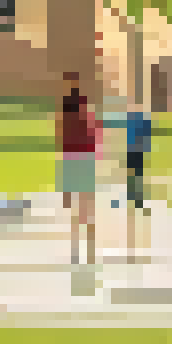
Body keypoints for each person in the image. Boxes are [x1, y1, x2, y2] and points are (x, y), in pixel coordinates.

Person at [57, 72, 100, 266]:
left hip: (73, 156)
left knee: (78, 206)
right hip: (84, 157)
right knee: (86, 205)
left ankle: (78, 250)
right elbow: (92, 133)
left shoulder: (68, 111)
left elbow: (63, 138)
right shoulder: (83, 109)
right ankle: (88, 249)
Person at [122, 102, 152, 212]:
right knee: (135, 175)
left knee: (136, 175)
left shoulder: (139, 119)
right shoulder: (134, 119)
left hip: (136, 151)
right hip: (134, 151)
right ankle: (135, 200)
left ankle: (136, 200)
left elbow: (146, 135)